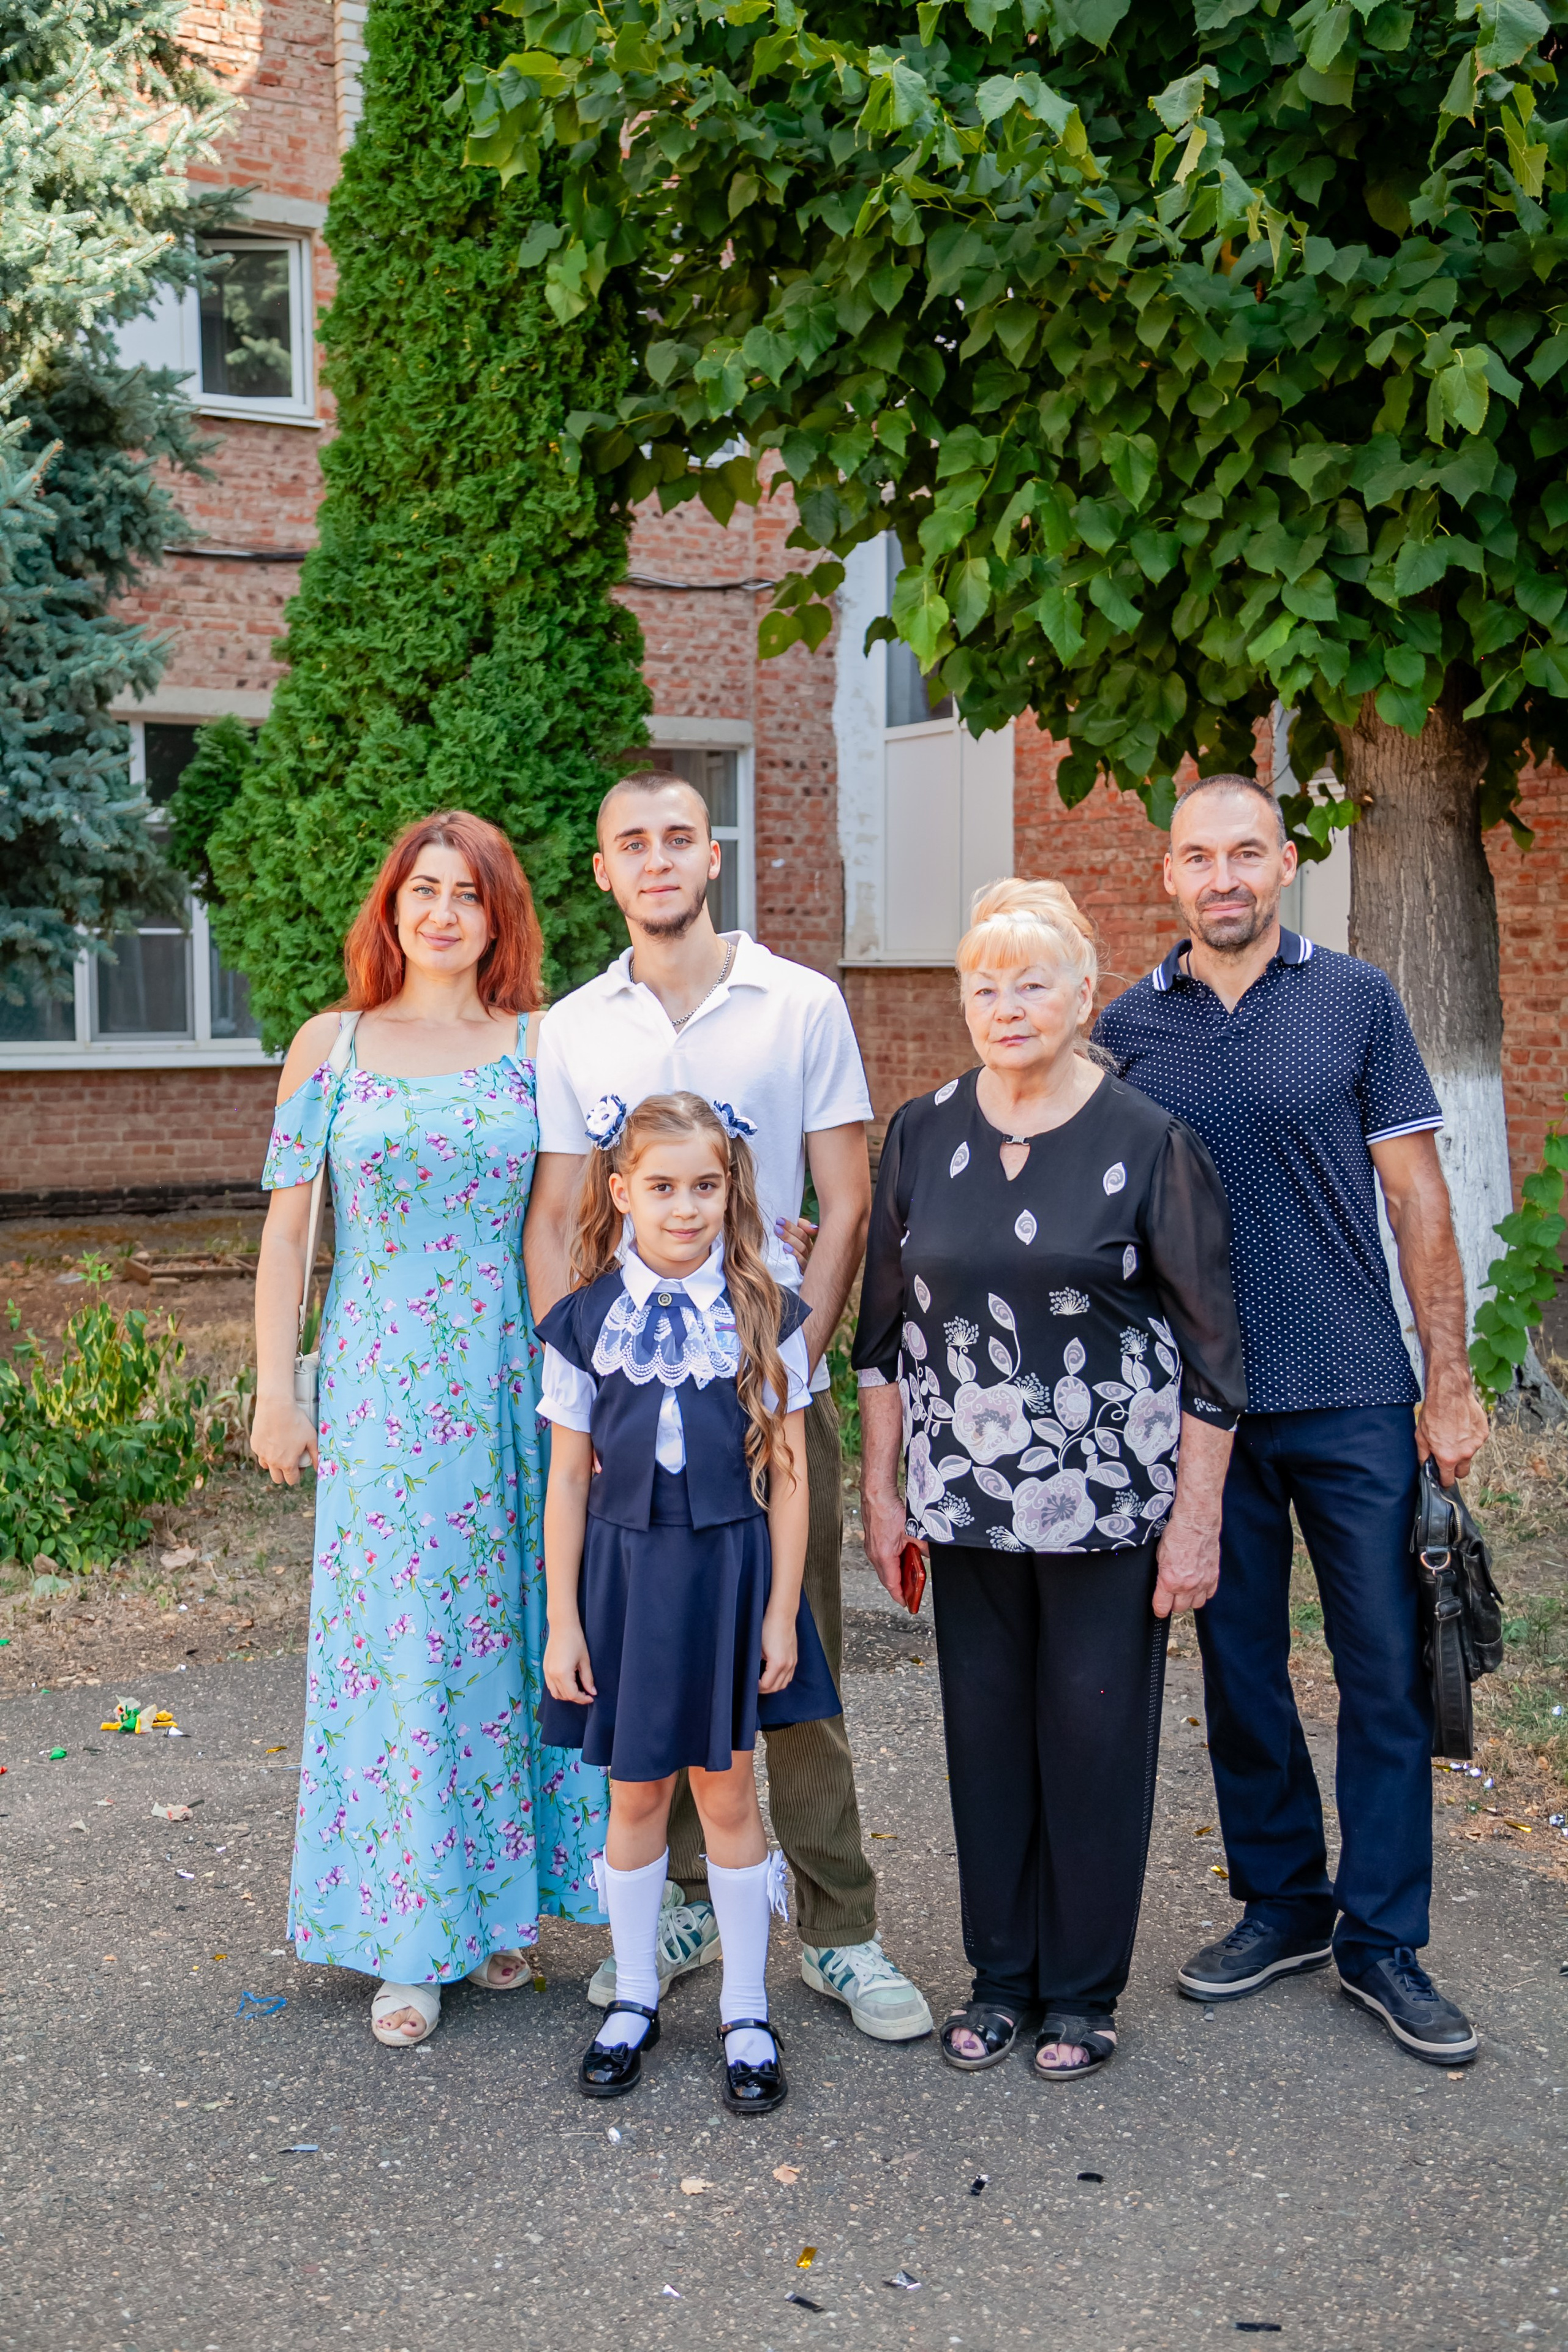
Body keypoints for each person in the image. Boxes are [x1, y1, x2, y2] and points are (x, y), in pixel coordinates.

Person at [526, 771, 932, 2042]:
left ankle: (840, 1930)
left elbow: (846, 1198)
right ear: (601, 869)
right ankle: (686, 1910)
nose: (655, 860)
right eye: (629, 843)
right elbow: (553, 1217)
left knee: (786, 1668)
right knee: (647, 1663)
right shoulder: (575, 1025)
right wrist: (578, 1353)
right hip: (630, 1400)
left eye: (676, 838)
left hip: (760, 1395)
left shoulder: (798, 1003)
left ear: (713, 855)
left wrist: (780, 1353)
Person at [1095, 772, 1491, 2066]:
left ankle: (1381, 1940)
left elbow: (1418, 1202)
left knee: (1383, 1669)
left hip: (1350, 1390)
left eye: (1245, 853)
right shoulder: (1124, 1028)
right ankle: (1282, 1904)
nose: (1222, 877)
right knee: (1239, 1664)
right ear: (1166, 874)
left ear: (1281, 866)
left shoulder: (1354, 1000)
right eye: (1198, 856)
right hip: (1198, 1406)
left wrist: (1448, 1376)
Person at [854, 879, 1247, 2079]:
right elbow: (877, 1338)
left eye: (1032, 982)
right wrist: (880, 1495)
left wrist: (1195, 1525)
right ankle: (997, 1978)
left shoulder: (1147, 1141)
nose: (1006, 1006)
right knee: (982, 1737)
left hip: (1109, 1513)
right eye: (983, 984)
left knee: (1088, 1738)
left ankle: (1079, 1990)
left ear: (1085, 992)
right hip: (963, 1507)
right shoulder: (920, 1132)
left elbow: (1213, 1355)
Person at [252, 812, 608, 2049]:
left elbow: (553, 1233)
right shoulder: (330, 1048)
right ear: (391, 909)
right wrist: (276, 1390)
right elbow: (291, 1233)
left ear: (500, 914)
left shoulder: (536, 1047)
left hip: (504, 1377)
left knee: (500, 1637)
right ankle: (407, 1940)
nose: (445, 911)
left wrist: (580, 1393)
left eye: (469, 893)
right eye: (424, 890)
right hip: (379, 1386)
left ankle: (495, 1911)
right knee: (398, 1648)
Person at [537, 1092, 840, 2111]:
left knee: (726, 1791)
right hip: (623, 1584)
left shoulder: (766, 1313)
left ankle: (746, 2010)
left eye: (704, 1187)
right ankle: (632, 1998)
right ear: (621, 1192)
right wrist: (565, 1620)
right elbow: (569, 1479)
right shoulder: (584, 1322)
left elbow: (790, 1473)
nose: (684, 1208)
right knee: (633, 1796)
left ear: (730, 1191)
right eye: (661, 1188)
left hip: (732, 1577)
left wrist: (780, 1608)